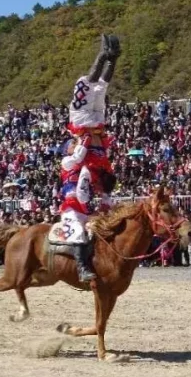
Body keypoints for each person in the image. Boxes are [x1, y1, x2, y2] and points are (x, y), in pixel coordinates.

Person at [67, 33, 120, 209]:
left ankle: (111, 58)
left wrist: (105, 197)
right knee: (88, 85)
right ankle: (104, 54)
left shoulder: (103, 166)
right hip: (83, 124)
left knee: (99, 87)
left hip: (96, 126)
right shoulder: (89, 167)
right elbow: (83, 188)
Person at [57, 136, 97, 282]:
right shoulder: (66, 161)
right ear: (66, 149)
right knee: (79, 232)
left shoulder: (85, 166)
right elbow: (78, 156)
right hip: (71, 208)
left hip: (85, 208)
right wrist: (85, 139)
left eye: (76, 142)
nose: (76, 144)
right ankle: (82, 270)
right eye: (72, 143)